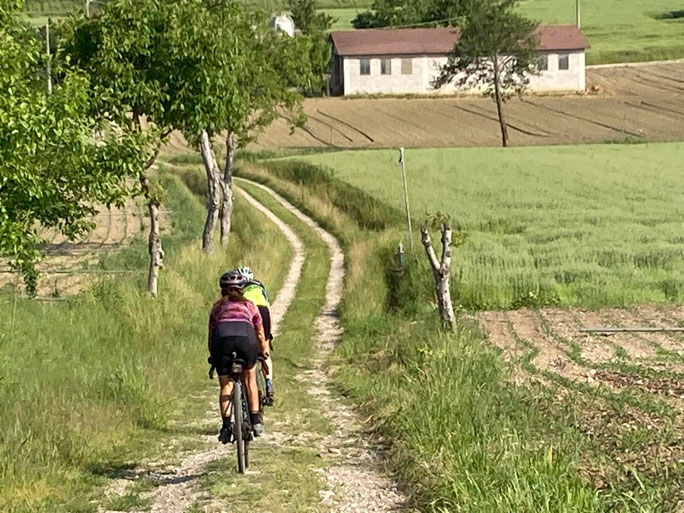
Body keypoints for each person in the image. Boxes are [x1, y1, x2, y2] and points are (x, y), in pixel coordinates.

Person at [208, 271, 270, 443]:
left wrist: (214, 356)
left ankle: (226, 427)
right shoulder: (250, 305)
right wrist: (263, 351)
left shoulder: (217, 307)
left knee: (226, 384)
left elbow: (212, 335)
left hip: (223, 341)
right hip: (246, 340)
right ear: (242, 289)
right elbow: (259, 332)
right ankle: (256, 420)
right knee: (250, 379)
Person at [235, 266, 275, 405]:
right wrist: (268, 334)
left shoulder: (238, 288)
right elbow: (268, 308)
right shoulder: (259, 286)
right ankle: (269, 383)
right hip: (263, 311)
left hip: (247, 310)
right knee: (265, 351)